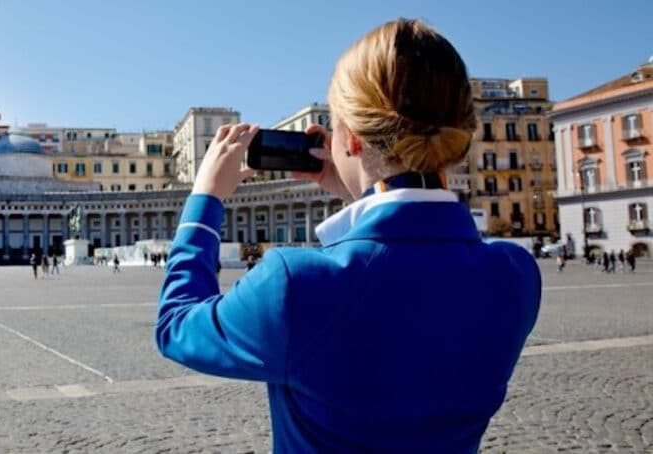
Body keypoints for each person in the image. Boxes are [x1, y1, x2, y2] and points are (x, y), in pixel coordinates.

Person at [155, 19, 540, 452]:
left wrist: (204, 200)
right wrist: (353, 185)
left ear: (352, 139)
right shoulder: (516, 275)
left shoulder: (296, 284)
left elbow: (176, 326)